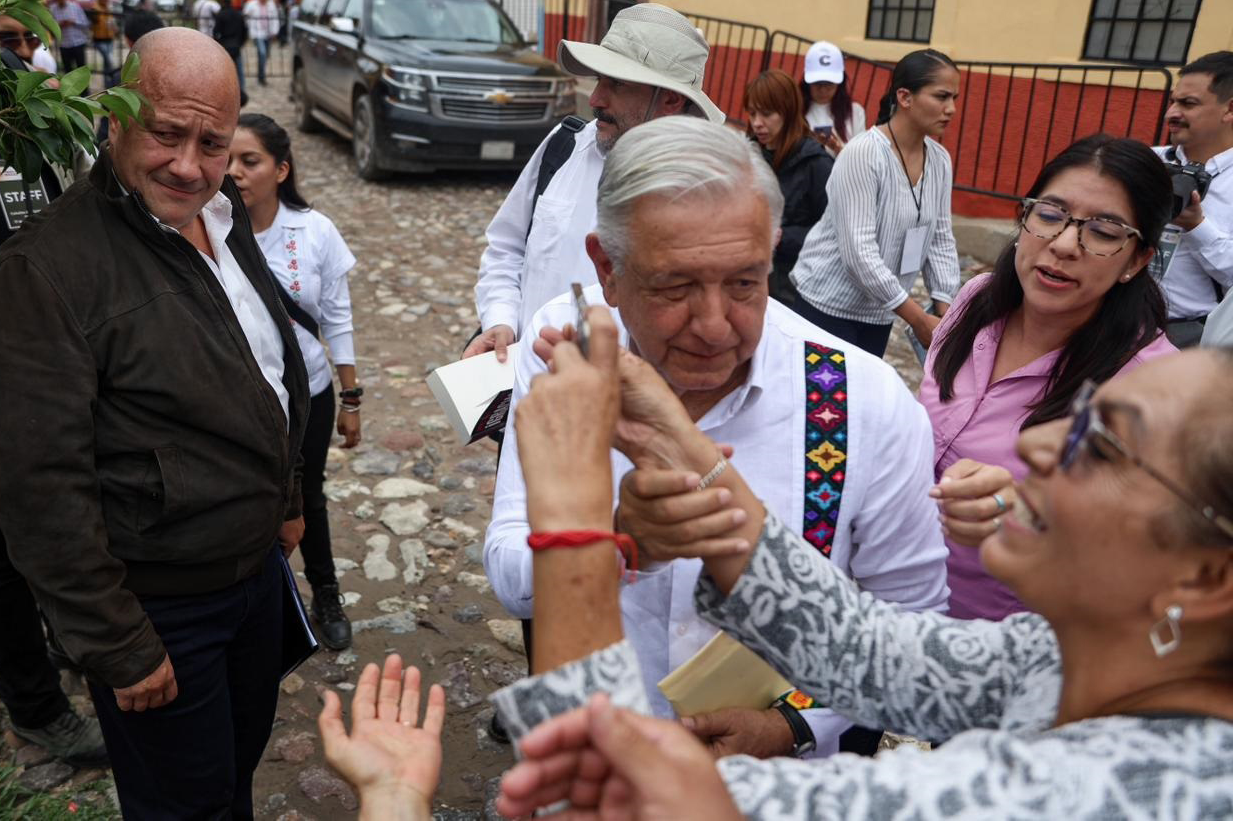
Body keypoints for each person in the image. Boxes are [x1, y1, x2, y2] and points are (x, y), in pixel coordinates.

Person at [317, 314, 1233, 819]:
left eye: (1100, 444)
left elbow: (612, 801)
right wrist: (683, 448)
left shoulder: (1115, 797)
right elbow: (869, 649)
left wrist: (573, 521)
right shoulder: (1058, 655)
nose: (1034, 447)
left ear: (1204, 578)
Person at [485, 116, 949, 759]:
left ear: (771, 248)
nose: (713, 325)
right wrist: (619, 544)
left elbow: (913, 625)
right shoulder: (567, 346)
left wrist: (796, 726)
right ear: (607, 268)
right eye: (675, 286)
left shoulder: (864, 400)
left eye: (744, 283)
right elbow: (510, 574)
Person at [0, 28, 310, 819]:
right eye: (166, 133)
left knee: (234, 775)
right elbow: (39, 492)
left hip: (254, 577)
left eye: (212, 144)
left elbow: (266, 368)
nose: (188, 166)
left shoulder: (220, 212)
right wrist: (115, 642)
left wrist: (287, 495)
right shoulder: (41, 275)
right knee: (183, 806)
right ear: (113, 118)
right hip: (161, 610)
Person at [919, 134, 1178, 621]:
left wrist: (1029, 516)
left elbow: (1149, 564)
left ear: (1137, 259)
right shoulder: (976, 300)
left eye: (1104, 232)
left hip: (1003, 639)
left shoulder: (1153, 388)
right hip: (891, 595)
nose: (1062, 245)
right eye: (1050, 214)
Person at [0, 14, 104, 768]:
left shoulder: (19, 98)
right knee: (2, 537)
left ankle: (73, 634)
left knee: (72, 506)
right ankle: (36, 705)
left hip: (54, 356)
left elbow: (81, 190)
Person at [465, 3, 724, 363]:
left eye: (616, 83)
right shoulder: (566, 145)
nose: (596, 99)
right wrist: (501, 319)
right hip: (522, 380)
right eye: (599, 79)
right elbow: (507, 247)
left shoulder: (707, 196)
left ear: (669, 99)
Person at [228, 112, 361, 650]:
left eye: (249, 161)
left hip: (309, 393)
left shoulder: (315, 231)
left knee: (309, 495)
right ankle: (266, 602)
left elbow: (337, 318)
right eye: (227, 159)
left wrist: (351, 398)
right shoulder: (208, 229)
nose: (234, 171)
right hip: (240, 399)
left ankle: (326, 591)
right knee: (250, 500)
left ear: (281, 170)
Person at [788, 49, 962, 357]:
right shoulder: (863, 154)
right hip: (827, 309)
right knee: (825, 390)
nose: (951, 109)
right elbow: (859, 253)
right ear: (905, 97)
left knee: (863, 390)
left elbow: (940, 238)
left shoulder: (939, 160)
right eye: (941, 97)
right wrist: (918, 319)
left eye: (954, 98)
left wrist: (945, 311)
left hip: (880, 313)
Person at [1152, 51, 1233, 348]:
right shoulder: (1149, 161)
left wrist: (1197, 227)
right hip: (1110, 324)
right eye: (1173, 101)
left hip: (1189, 341)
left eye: (1188, 104)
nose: (1171, 113)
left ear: (1230, 109)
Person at [744, 68, 832, 308]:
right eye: (752, 113)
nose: (757, 123)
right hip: (749, 279)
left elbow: (832, 233)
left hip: (794, 291)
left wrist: (784, 237)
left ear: (788, 112)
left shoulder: (817, 164)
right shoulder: (747, 154)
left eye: (766, 114)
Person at [801, 40, 866, 156]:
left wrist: (838, 149)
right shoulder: (795, 109)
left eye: (829, 84)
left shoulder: (855, 112)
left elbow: (861, 158)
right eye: (817, 83)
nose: (823, 90)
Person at [242, 0, 279, 87]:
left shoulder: (271, 5)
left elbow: (275, 18)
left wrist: (275, 32)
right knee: (262, 53)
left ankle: (260, 74)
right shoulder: (251, 4)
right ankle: (262, 77)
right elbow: (245, 16)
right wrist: (249, 27)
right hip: (257, 34)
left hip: (268, 33)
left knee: (265, 55)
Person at [48, 0, 89, 75]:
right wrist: (59, 25)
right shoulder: (52, 9)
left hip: (78, 42)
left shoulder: (75, 6)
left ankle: (84, 85)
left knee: (81, 69)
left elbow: (85, 23)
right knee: (68, 71)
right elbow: (51, 26)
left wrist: (74, 22)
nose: (59, 0)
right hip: (64, 44)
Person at [214, 0, 248, 97]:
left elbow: (216, 32)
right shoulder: (238, 14)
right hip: (236, 45)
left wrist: (219, 43)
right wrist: (240, 43)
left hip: (225, 45)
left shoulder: (221, 15)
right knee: (239, 71)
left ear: (223, 2)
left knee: (225, 70)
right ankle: (241, 92)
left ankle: (225, 91)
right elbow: (245, 31)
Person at [89, 0, 118, 86]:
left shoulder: (108, 8)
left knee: (107, 63)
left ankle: (107, 84)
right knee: (109, 60)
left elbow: (111, 21)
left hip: (109, 39)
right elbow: (94, 20)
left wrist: (115, 28)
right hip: (99, 40)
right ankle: (112, 81)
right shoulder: (95, 8)